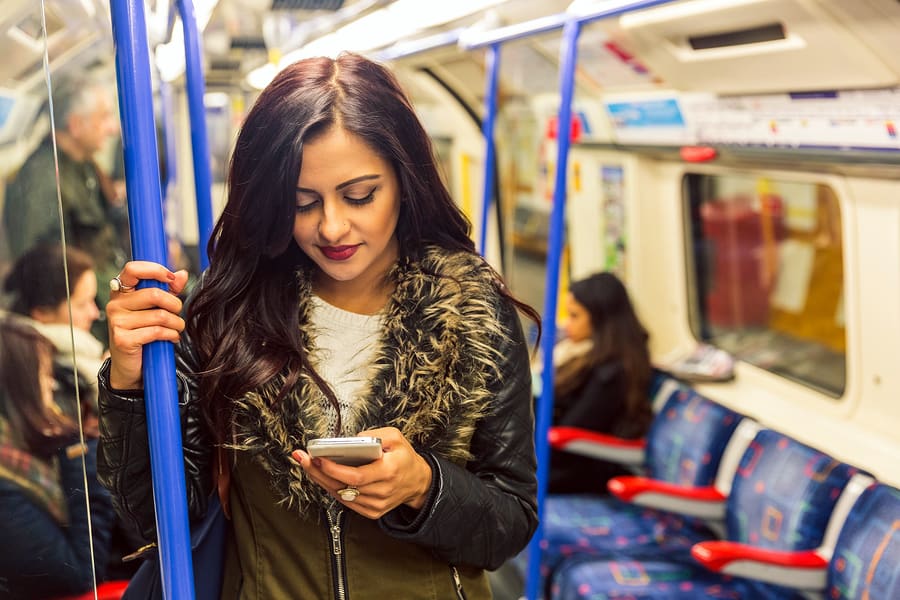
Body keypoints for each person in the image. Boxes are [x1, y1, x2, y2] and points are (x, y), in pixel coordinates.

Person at [97, 53, 539, 599]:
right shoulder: (229, 312)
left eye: (360, 196)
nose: (332, 227)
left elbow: (510, 522)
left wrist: (424, 486)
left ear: (405, 180)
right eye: (302, 203)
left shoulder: (472, 312)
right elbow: (158, 516)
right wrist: (129, 380)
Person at [2, 71, 129, 343]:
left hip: (104, 304)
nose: (112, 128)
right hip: (85, 326)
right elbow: (42, 279)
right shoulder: (42, 182)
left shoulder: (83, 167)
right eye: (104, 117)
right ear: (75, 124)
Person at [0, 316, 115, 598]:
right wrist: (77, 452)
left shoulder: (24, 456)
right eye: (43, 374)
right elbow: (79, 575)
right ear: (20, 388)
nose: (51, 386)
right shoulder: (7, 488)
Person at [547, 272, 655, 494]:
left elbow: (571, 431)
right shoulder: (591, 356)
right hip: (566, 460)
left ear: (599, 319)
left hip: (581, 469)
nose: (567, 324)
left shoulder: (612, 374)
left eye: (575, 316)